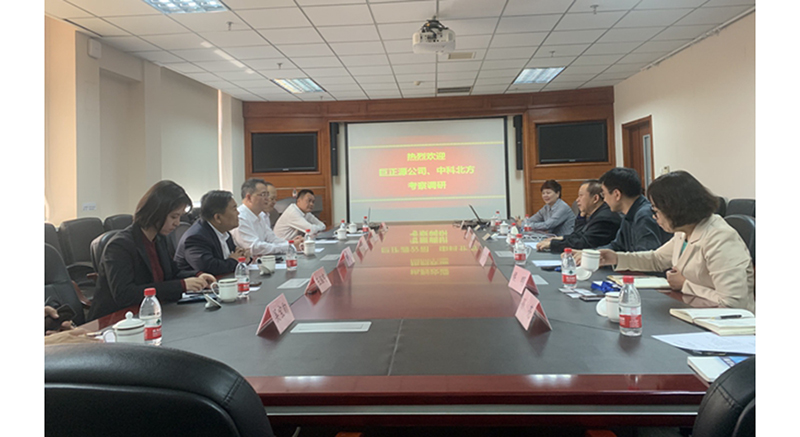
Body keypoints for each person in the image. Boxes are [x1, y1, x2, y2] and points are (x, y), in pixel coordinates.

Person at [592, 171, 754, 312]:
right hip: (697, 311)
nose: (654, 217)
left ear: (674, 209)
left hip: (730, 325)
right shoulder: (684, 232)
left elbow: (732, 303)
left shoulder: (720, 238)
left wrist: (685, 285)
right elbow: (657, 259)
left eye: (656, 210)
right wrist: (616, 258)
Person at [88, 181, 216, 321]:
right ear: (156, 212)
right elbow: (125, 294)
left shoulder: (159, 239)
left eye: (179, 217)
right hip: (117, 320)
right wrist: (181, 286)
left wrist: (198, 275)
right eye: (173, 217)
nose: (177, 223)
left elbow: (173, 273)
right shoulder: (120, 246)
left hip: (153, 313)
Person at [174, 190, 248, 276]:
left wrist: (244, 256)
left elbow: (234, 255)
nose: (238, 213)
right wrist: (234, 261)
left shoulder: (223, 232)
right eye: (234, 209)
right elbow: (209, 268)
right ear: (218, 217)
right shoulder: (196, 237)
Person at [597, 167, 672, 252]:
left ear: (617, 194)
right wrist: (591, 253)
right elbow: (617, 246)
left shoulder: (644, 216)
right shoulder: (629, 215)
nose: (604, 200)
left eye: (604, 194)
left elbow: (645, 255)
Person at [537, 179, 622, 253]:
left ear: (595, 198)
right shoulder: (593, 213)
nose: (577, 200)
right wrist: (581, 217)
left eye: (581, 196)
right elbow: (578, 234)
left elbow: (583, 244)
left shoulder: (604, 218)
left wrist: (553, 244)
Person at [231, 178, 302, 256]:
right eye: (263, 195)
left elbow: (272, 239)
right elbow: (255, 248)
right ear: (249, 197)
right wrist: (288, 246)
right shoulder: (240, 218)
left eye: (267, 195)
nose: (267, 199)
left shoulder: (260, 215)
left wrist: (291, 243)